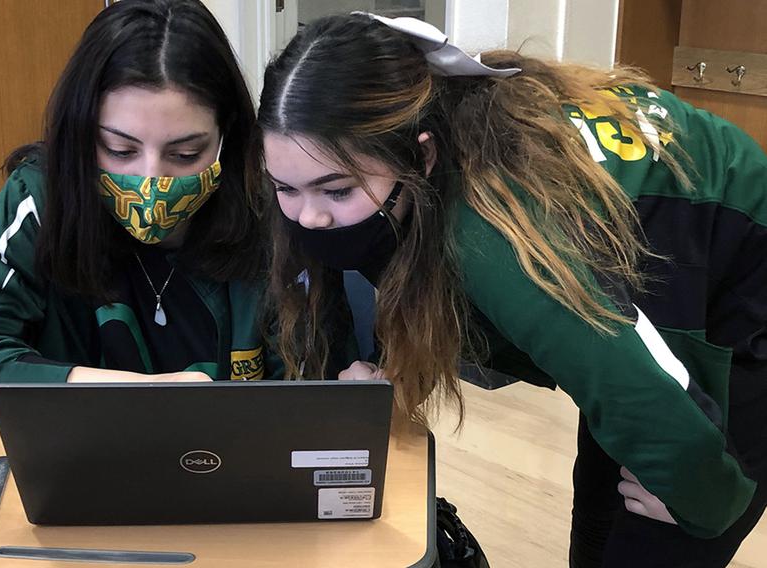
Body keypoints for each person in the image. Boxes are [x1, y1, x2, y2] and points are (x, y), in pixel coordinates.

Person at [254, 12, 766, 567]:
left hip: (740, 275)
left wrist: (706, 500)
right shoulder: (418, 141)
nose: (309, 217)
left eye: (335, 189)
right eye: (285, 187)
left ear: (420, 155)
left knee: (668, 511)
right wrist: (384, 373)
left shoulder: (494, 229)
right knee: (602, 509)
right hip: (649, 263)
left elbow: (628, 382)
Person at [0, 0, 282, 422]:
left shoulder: (269, 211)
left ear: (228, 138)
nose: (151, 180)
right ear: (82, 133)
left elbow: (313, 380)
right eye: (120, 150)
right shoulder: (40, 199)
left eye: (186, 153)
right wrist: (132, 392)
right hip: (78, 464)